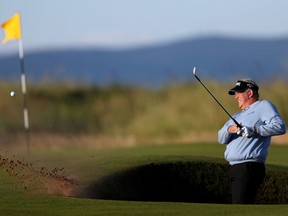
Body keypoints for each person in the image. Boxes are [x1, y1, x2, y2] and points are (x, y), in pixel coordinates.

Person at [218, 79, 286, 204]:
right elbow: (220, 138)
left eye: (238, 92)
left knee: (240, 207)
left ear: (249, 93)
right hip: (235, 168)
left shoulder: (263, 106)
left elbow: (280, 127)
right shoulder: (236, 116)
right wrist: (230, 129)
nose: (236, 97)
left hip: (248, 167)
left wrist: (254, 130)